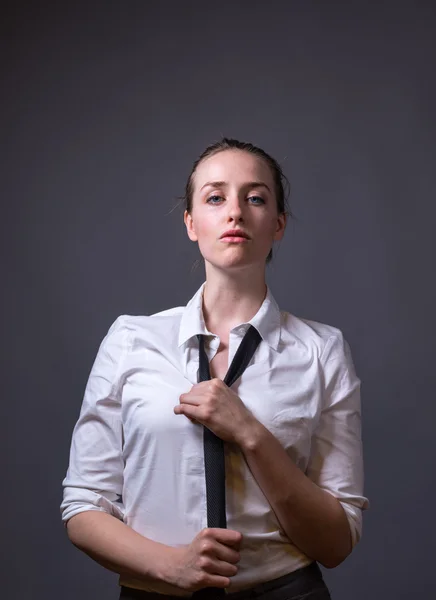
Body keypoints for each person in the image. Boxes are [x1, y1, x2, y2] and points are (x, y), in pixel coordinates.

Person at [61, 138, 369, 600]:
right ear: (191, 223)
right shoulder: (130, 340)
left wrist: (250, 432)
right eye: (215, 197)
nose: (236, 212)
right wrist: (172, 566)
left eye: (256, 197)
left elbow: (336, 541)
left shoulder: (322, 350)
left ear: (278, 224)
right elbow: (83, 506)